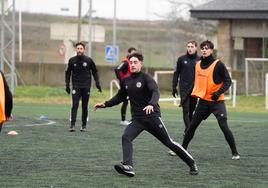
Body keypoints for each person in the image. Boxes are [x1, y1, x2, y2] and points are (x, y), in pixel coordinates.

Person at [94, 52, 198, 177]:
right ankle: (128, 166)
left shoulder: (146, 78)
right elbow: (119, 97)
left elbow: (155, 92)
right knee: (126, 137)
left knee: (168, 142)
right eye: (130, 62)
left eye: (135, 62)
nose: (132, 65)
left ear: (140, 64)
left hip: (152, 117)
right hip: (137, 119)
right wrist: (105, 104)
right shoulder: (125, 80)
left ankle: (191, 163)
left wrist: (151, 104)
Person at [182, 40, 240, 160]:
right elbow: (195, 83)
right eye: (202, 48)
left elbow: (228, 81)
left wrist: (218, 93)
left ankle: (235, 153)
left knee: (224, 126)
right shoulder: (197, 65)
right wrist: (186, 97)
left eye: (207, 48)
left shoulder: (218, 64)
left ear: (211, 50)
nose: (204, 50)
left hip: (217, 102)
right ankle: (182, 150)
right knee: (191, 126)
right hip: (203, 102)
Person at [169, 40, 199, 156]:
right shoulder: (182, 59)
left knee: (191, 111)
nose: (190, 48)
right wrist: (174, 86)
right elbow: (177, 73)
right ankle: (188, 130)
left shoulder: (200, 60)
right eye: (188, 46)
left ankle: (188, 129)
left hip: (195, 89)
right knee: (185, 111)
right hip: (184, 89)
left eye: (192, 46)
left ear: (196, 48)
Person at [65, 42, 102, 132]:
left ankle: (83, 125)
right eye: (78, 48)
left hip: (86, 86)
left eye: (81, 48)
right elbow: (68, 73)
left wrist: (97, 83)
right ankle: (72, 125)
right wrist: (67, 85)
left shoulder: (88, 60)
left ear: (84, 50)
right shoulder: (72, 60)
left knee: (85, 106)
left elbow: (95, 72)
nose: (79, 50)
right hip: (76, 86)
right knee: (75, 105)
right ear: (76, 49)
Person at [114, 47, 136, 126]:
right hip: (126, 85)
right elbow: (117, 69)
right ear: (129, 53)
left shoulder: (132, 62)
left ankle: (133, 119)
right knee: (125, 101)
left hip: (131, 85)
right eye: (132, 53)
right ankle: (123, 120)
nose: (134, 54)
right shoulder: (126, 62)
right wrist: (121, 80)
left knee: (133, 101)